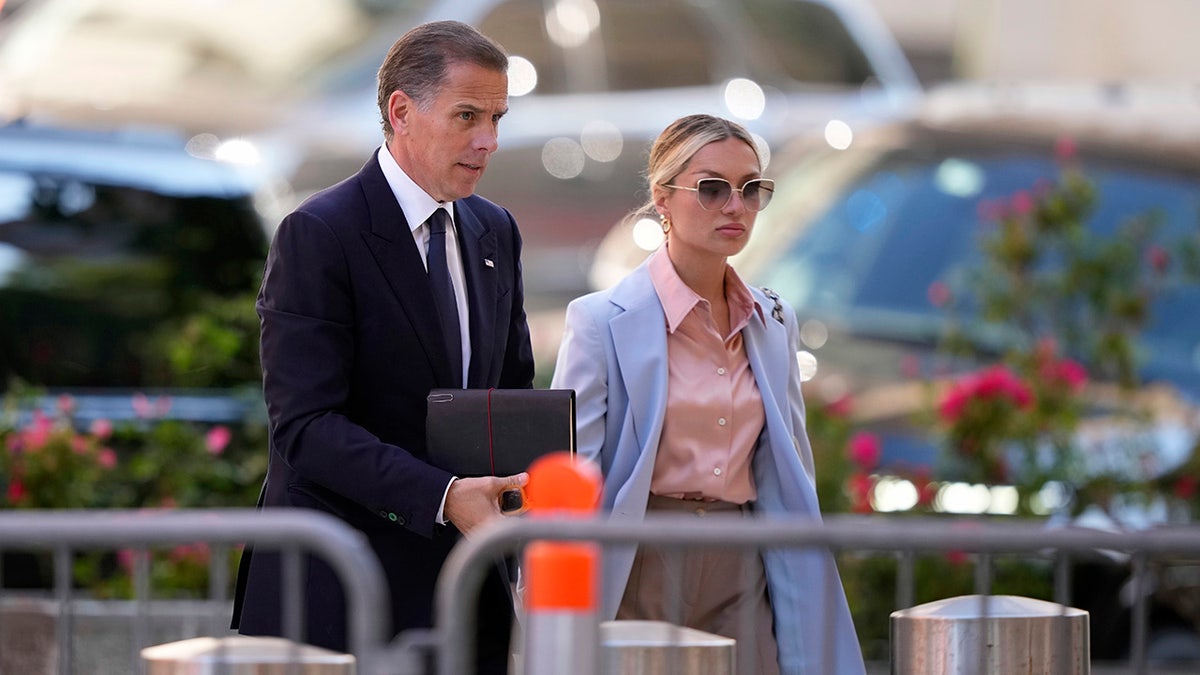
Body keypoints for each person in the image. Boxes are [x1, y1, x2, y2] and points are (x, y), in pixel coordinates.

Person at [231, 20, 534, 674]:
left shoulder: (494, 230)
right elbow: (306, 427)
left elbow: (507, 395)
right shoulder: (319, 233)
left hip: (461, 594)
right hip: (340, 593)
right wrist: (444, 493)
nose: (489, 140)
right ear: (401, 111)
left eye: (497, 117)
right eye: (468, 116)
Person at [550, 114, 866, 675]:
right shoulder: (600, 321)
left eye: (752, 189)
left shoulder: (772, 319)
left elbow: (789, 460)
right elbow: (576, 475)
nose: (735, 206)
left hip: (742, 562)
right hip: (638, 558)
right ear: (662, 199)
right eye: (712, 188)